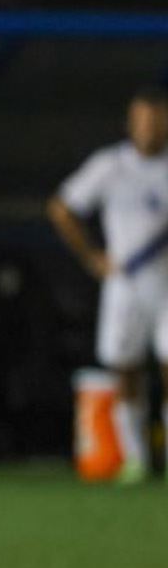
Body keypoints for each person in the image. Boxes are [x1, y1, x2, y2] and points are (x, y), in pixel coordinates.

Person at [48, 85, 168, 484]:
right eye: (143, 120)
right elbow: (62, 207)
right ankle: (135, 458)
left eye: (157, 119)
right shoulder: (111, 166)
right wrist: (92, 257)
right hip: (126, 285)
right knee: (126, 370)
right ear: (131, 124)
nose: (150, 128)